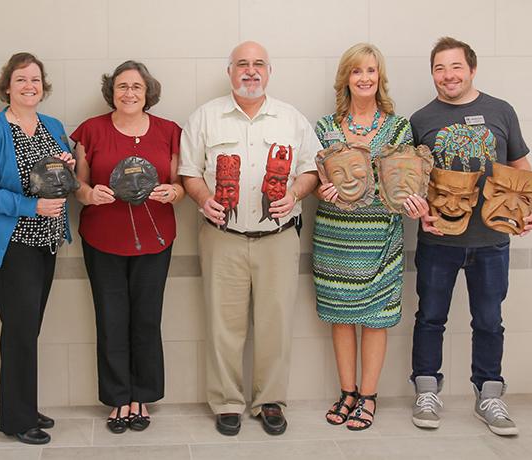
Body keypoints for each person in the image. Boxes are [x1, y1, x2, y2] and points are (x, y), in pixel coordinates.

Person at [179, 41, 321, 436]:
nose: (251, 71)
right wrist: (204, 199)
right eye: (242, 64)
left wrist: (295, 194)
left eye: (259, 64)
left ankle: (270, 401)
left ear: (269, 72)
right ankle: (227, 401)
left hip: (278, 237)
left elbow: (312, 169)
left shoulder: (291, 119)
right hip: (221, 237)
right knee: (224, 325)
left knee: (276, 323)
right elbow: (188, 172)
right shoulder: (206, 118)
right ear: (229, 72)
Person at [409, 36, 532, 436]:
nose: (448, 75)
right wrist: (420, 210)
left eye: (455, 67)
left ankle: (490, 395)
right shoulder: (421, 120)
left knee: (489, 320)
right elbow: (412, 180)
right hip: (438, 241)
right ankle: (427, 390)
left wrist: (528, 210)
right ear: (432, 73)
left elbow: (520, 165)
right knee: (430, 318)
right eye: (439, 68)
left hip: (492, 241)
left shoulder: (501, 111)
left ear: (472, 69)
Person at [312, 43, 422, 431]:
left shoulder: (398, 126)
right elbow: (316, 180)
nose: (364, 78)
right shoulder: (324, 127)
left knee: (375, 320)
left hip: (381, 239)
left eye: (371, 71)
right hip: (334, 239)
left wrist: (413, 200)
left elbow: (407, 179)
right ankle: (347, 392)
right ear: (346, 78)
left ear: (380, 77)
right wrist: (319, 191)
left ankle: (369, 396)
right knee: (340, 318)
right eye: (357, 71)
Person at [71, 61, 183, 433]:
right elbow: (78, 186)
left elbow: (181, 182)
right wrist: (89, 194)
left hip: (155, 239)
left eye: (136, 86)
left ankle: (143, 397)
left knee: (147, 320)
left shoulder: (169, 131)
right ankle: (118, 398)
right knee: (110, 319)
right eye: (122, 86)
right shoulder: (91, 130)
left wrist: (174, 192)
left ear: (148, 91)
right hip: (103, 238)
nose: (129, 93)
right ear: (112, 91)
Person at [0, 52, 73, 445]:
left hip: (46, 243)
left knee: (28, 329)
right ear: (6, 87)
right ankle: (15, 418)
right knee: (19, 330)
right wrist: (31, 206)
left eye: (35, 79)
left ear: (43, 86)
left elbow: (61, 181)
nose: (29, 86)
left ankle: (23, 406)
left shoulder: (53, 126)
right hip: (12, 245)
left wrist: (67, 165)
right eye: (21, 80)